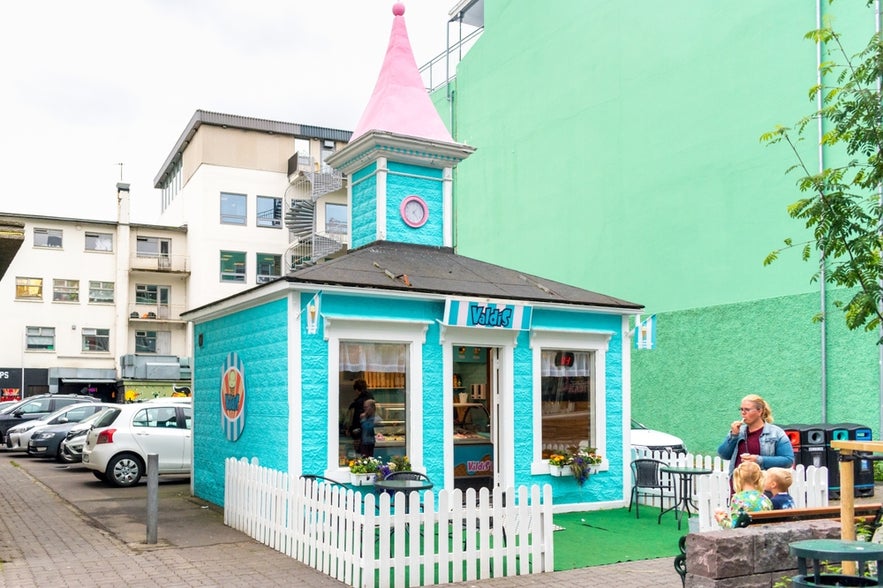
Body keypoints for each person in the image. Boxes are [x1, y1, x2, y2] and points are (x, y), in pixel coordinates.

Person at [717, 393, 794, 478]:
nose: (743, 413)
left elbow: (788, 460)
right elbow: (723, 455)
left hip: (764, 484)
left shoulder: (776, 433)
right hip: (738, 485)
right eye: (741, 409)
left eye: (747, 410)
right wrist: (734, 436)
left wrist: (758, 460)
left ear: (759, 411)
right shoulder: (738, 431)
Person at [714, 461, 773, 528]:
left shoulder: (738, 499)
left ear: (738, 478)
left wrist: (721, 520)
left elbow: (734, 528)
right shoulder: (765, 498)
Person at [346, 379, 373, 454]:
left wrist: (350, 429)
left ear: (357, 390)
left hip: (360, 431)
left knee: (360, 452)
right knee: (368, 452)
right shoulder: (371, 398)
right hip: (369, 431)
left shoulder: (358, 402)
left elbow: (356, 418)